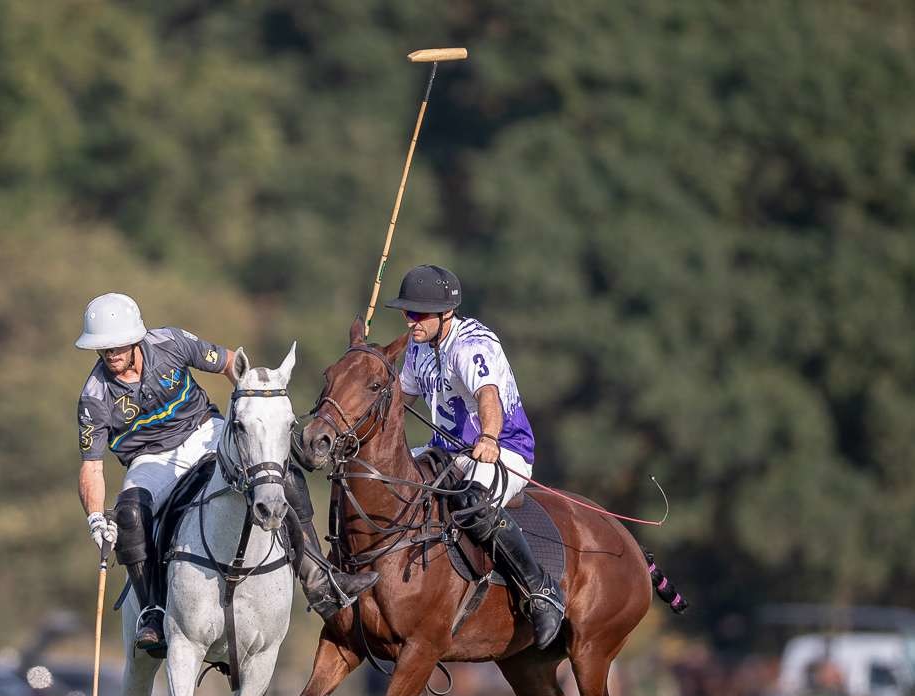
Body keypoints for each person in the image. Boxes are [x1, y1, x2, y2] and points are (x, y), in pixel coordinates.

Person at [76, 293, 376, 656]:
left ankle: (317, 577)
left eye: (118, 346)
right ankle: (153, 612)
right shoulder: (95, 396)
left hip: (205, 433)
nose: (111, 355)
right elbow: (91, 466)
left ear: (136, 337)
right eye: (104, 349)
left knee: (285, 477)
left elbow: (232, 364)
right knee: (128, 514)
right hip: (148, 459)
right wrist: (95, 517)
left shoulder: (171, 343)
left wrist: (255, 399)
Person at [386, 265, 565, 649]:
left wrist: (488, 436)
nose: (411, 321)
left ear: (445, 313)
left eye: (418, 313)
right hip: (447, 454)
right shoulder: (417, 348)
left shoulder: (472, 346)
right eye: (407, 312)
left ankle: (541, 591)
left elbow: (488, 396)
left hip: (503, 449)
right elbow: (399, 403)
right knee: (389, 481)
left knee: (474, 503)